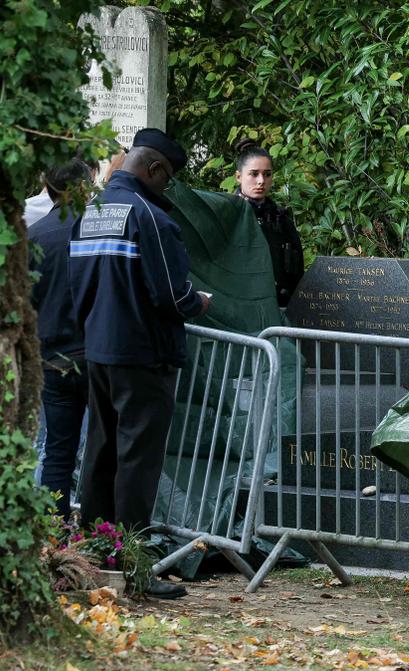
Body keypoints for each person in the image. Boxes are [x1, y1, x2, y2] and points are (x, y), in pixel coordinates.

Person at [69, 128, 211, 600]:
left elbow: (78, 289)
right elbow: (171, 294)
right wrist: (198, 302)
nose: (166, 187)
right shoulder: (149, 217)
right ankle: (132, 565)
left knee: (100, 452)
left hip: (98, 350)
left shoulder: (90, 213)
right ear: (153, 169)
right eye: (167, 178)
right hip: (143, 355)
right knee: (138, 462)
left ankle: (92, 555)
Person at [28, 157, 97, 518]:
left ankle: (53, 537)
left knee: (57, 452)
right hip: (98, 353)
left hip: (53, 357)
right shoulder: (99, 229)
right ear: (84, 186)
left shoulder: (35, 235)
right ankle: (101, 536)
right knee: (102, 450)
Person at [234, 141, 304, 306]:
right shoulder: (228, 216)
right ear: (238, 176)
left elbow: (297, 271)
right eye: (253, 174)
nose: (261, 181)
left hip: (279, 308)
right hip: (239, 308)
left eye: (267, 174)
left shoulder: (281, 219)